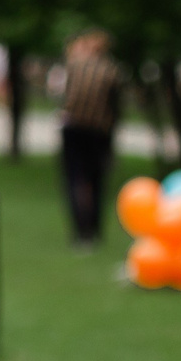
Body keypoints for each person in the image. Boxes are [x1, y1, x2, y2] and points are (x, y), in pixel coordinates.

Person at [56, 28, 124, 248]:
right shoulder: (111, 70)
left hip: (73, 128)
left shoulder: (74, 65)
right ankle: (94, 229)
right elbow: (116, 106)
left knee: (75, 178)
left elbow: (65, 95)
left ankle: (80, 232)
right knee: (96, 180)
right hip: (100, 131)